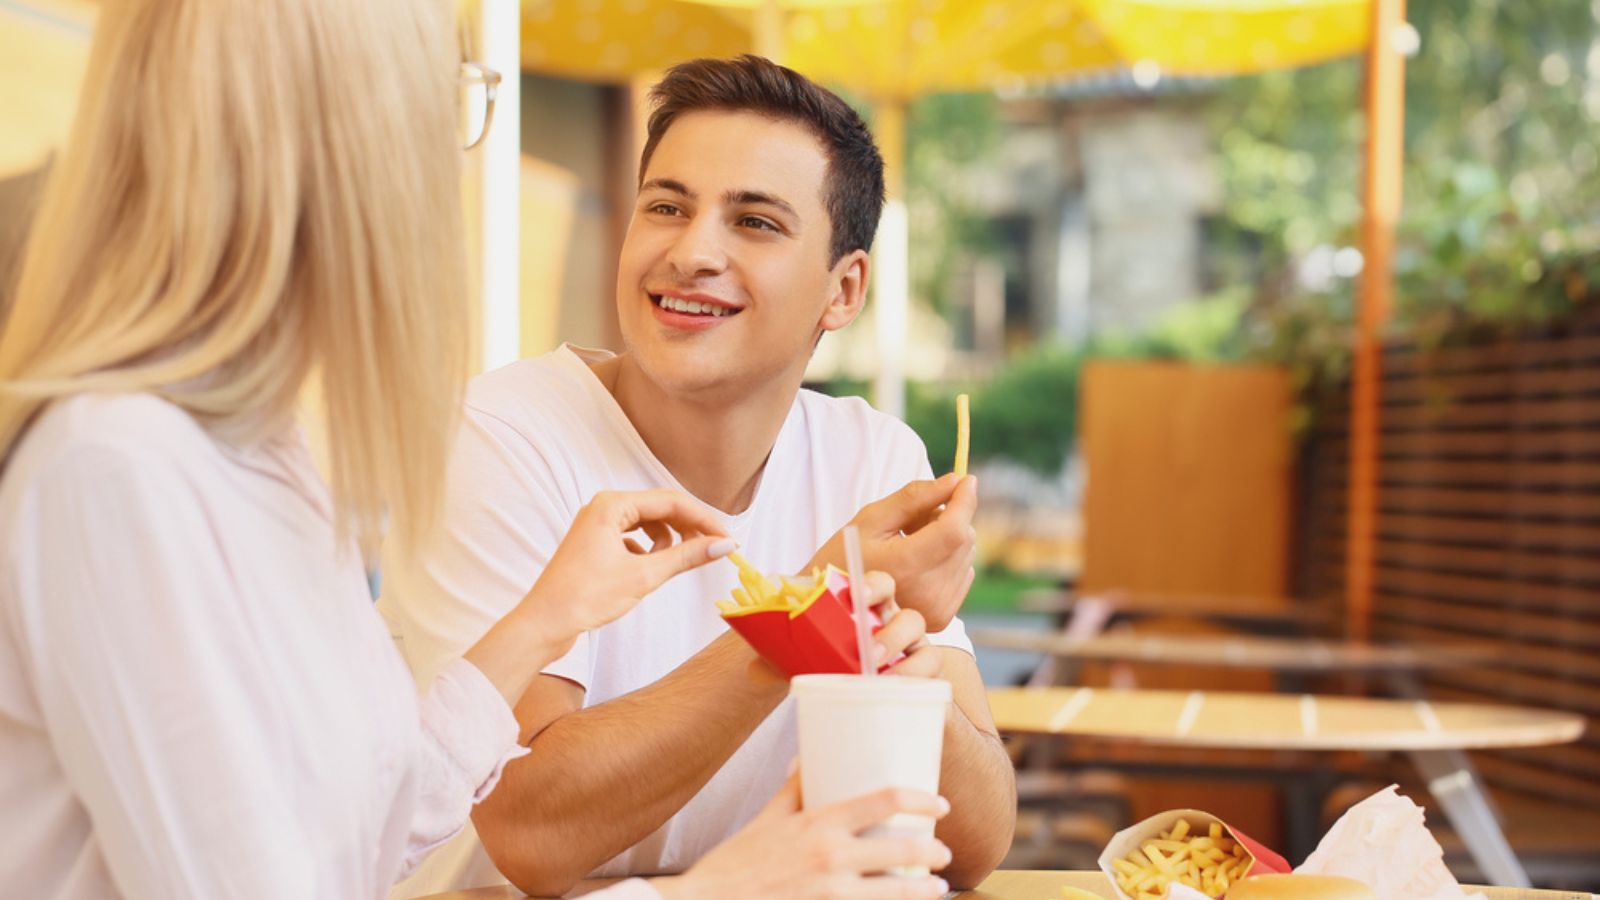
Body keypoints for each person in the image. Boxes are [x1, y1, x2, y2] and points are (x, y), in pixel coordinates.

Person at [0, 3, 954, 898]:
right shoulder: (119, 469)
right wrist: (720, 887)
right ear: (332, 140)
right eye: (449, 98)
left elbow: (366, 820)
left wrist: (542, 621)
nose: (454, 156)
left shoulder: (261, 449)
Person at [381, 55, 1017, 898]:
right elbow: (532, 832)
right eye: (666, 207)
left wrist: (900, 668)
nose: (691, 252)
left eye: (754, 222)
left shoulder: (874, 461)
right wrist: (807, 618)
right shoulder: (501, 443)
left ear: (844, 288)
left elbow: (974, 845)